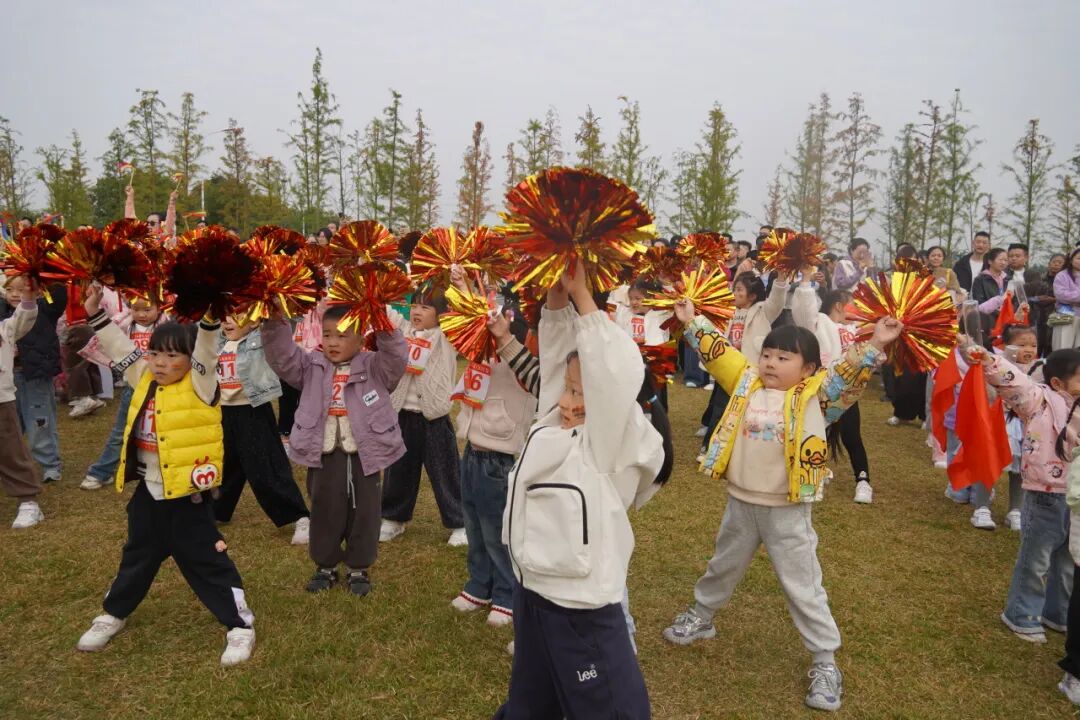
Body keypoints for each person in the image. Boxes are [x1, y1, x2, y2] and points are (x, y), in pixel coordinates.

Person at [662, 298, 901, 713]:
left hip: (787, 510)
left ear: (808, 369)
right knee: (723, 564)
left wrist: (876, 342)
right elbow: (720, 353)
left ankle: (824, 660)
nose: (771, 362)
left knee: (803, 585)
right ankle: (701, 615)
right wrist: (692, 322)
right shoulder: (746, 382)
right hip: (741, 502)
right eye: (768, 354)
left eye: (784, 357)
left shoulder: (817, 397)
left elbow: (846, 374)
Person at [493, 262, 662, 719]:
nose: (568, 402)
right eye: (569, 390)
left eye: (581, 394)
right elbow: (555, 361)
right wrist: (557, 295)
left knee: (611, 709)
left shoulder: (607, 441)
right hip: (532, 595)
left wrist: (584, 296)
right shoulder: (552, 421)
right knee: (531, 702)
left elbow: (612, 371)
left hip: (581, 609)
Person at [75, 286, 256, 666]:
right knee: (137, 557)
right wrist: (95, 313)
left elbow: (207, 349)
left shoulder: (202, 384)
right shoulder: (144, 377)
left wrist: (210, 316)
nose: (160, 362)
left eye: (172, 355)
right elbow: (121, 349)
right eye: (155, 353)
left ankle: (239, 625)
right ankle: (113, 613)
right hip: (149, 494)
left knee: (208, 562)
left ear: (191, 361)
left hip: (188, 497)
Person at [262, 302, 406, 593]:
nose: (333, 342)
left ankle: (358, 567)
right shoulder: (311, 366)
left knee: (365, 513)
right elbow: (282, 357)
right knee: (324, 509)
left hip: (364, 454)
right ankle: (325, 565)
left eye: (341, 335)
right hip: (324, 451)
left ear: (361, 338)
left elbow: (396, 357)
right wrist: (274, 321)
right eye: (327, 335)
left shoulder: (375, 366)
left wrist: (385, 325)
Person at [971, 341, 1080, 644]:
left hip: (1075, 499)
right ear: (1058, 382)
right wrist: (987, 358)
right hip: (1044, 493)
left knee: (1068, 559)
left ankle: (1057, 612)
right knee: (1036, 558)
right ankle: (1021, 614)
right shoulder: (1040, 400)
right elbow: (1013, 381)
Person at [447, 271, 538, 628]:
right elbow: (470, 313)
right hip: (472, 449)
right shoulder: (480, 350)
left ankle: (506, 593)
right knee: (473, 525)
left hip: (499, 456)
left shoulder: (519, 357)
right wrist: (461, 285)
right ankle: (478, 584)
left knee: (497, 530)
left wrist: (504, 337)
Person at [211, 316, 311, 544]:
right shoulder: (216, 340)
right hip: (222, 412)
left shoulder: (260, 338)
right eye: (224, 315)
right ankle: (215, 511)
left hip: (253, 411)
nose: (227, 321)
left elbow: (282, 325)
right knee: (224, 465)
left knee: (267, 468)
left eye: (236, 315)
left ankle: (300, 516)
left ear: (255, 321)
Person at [379, 287, 466, 546]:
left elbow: (463, 314)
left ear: (441, 314)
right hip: (402, 416)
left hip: (434, 418)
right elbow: (385, 312)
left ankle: (460, 521)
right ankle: (393, 517)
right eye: (414, 305)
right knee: (398, 470)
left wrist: (460, 284)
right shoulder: (403, 331)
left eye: (425, 307)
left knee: (446, 472)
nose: (417, 311)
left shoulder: (446, 336)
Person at [795, 286, 873, 504]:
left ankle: (863, 480)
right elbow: (805, 311)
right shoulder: (819, 322)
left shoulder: (856, 328)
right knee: (815, 433)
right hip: (821, 389)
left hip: (847, 390)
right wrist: (806, 281)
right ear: (839, 305)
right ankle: (814, 472)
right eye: (853, 304)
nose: (856, 309)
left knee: (852, 436)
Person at [81, 296, 168, 490]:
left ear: (159, 307)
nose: (141, 314)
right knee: (121, 433)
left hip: (164, 391)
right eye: (136, 309)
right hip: (134, 389)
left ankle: (165, 470)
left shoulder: (168, 326)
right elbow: (109, 340)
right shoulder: (124, 326)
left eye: (147, 309)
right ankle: (101, 472)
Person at [0, 276, 66, 484]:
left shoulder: (44, 309)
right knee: (10, 425)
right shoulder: (2, 312)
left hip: (35, 376)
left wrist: (44, 272)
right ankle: (9, 466)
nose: (14, 294)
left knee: (40, 422)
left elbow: (59, 294)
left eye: (21, 290)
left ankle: (50, 465)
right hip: (7, 379)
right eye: (9, 289)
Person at [0, 278, 46, 529]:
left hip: (1, 400)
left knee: (10, 451)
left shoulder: (5, 329)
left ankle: (28, 501)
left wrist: (28, 296)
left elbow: (23, 318)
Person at [1053, 249, 1080, 351]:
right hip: (1065, 315)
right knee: (1063, 346)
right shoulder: (1062, 275)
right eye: (1079, 258)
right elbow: (1061, 295)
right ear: (1071, 260)